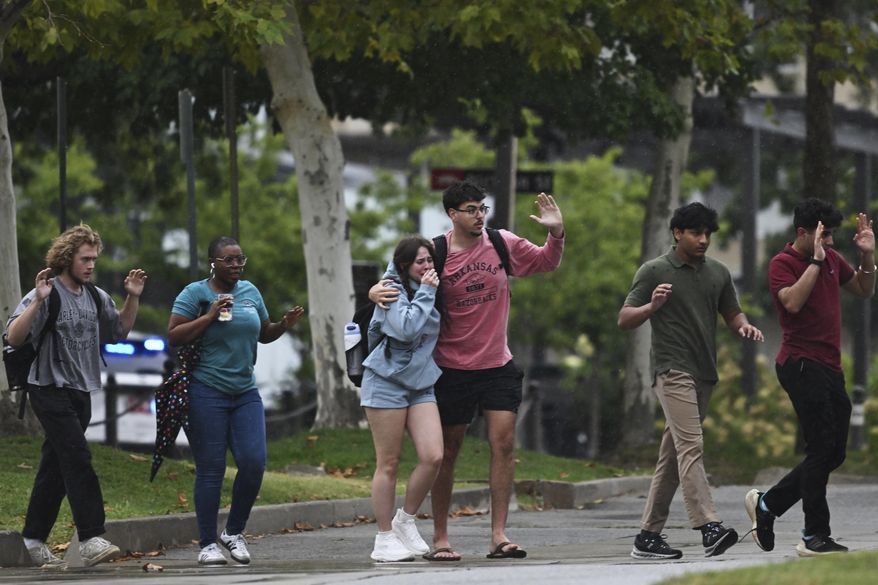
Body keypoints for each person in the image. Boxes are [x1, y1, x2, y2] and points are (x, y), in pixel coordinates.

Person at [370, 180, 565, 560]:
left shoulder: (502, 242)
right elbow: (396, 280)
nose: (479, 216)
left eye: (483, 208)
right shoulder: (436, 252)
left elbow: (545, 261)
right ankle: (441, 538)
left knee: (504, 444)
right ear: (452, 214)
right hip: (450, 367)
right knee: (448, 450)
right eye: (471, 210)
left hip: (497, 363)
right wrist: (373, 291)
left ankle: (499, 535)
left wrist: (556, 232)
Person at [618, 202, 763, 560]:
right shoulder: (654, 271)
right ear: (677, 233)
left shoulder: (718, 272)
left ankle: (647, 537)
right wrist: (651, 307)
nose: (703, 240)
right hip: (672, 369)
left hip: (704, 372)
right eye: (696, 233)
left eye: (708, 234)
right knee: (692, 445)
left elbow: (732, 311)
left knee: (673, 455)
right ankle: (709, 526)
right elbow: (624, 318)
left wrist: (742, 325)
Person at [5, 224, 146, 569]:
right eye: (85, 259)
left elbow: (119, 331)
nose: (90, 265)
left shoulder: (97, 297)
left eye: (94, 260)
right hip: (47, 387)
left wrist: (133, 296)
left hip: (82, 390)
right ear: (67, 258)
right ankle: (91, 537)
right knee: (77, 457)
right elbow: (13, 336)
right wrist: (37, 301)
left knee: (55, 466)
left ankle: (33, 538)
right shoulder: (47, 292)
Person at [745, 199, 874, 557]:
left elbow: (864, 290)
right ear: (803, 232)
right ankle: (814, 535)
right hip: (801, 364)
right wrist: (815, 261)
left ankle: (768, 505)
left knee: (834, 452)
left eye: (832, 235)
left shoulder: (833, 259)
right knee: (820, 449)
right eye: (824, 235)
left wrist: (866, 256)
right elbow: (792, 303)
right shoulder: (782, 263)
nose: (831, 242)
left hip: (830, 366)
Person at [166, 236, 304, 566]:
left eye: (240, 260)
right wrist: (210, 315)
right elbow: (173, 335)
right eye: (228, 260)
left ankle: (233, 532)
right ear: (212, 262)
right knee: (211, 470)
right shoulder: (195, 293)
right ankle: (207, 543)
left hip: (245, 391)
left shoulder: (250, 292)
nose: (236, 266)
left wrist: (283, 326)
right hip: (206, 390)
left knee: (254, 462)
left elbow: (263, 331)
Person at [361, 236, 444, 562]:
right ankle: (383, 539)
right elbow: (405, 329)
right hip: (385, 382)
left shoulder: (431, 284)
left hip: (421, 382)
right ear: (404, 265)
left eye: (429, 260)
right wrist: (426, 290)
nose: (427, 267)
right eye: (419, 262)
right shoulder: (390, 289)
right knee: (389, 463)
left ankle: (405, 520)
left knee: (433, 455)